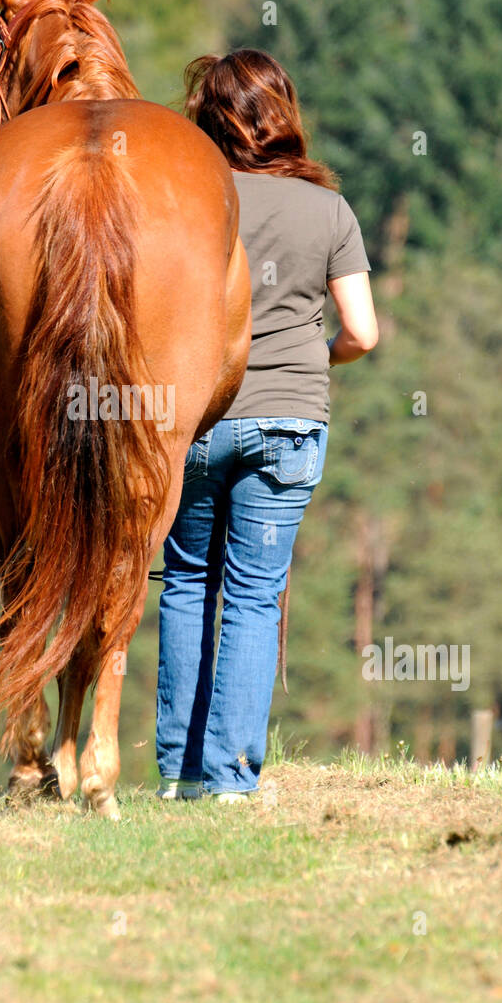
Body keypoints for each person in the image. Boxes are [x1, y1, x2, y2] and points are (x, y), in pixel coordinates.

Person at [156, 49, 378, 802]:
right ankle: (229, 781)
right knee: (253, 595)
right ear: (283, 113)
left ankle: (181, 775)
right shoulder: (329, 212)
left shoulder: (189, 202)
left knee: (187, 583)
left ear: (206, 120)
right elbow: (363, 333)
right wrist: (312, 360)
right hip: (286, 425)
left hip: (194, 420)